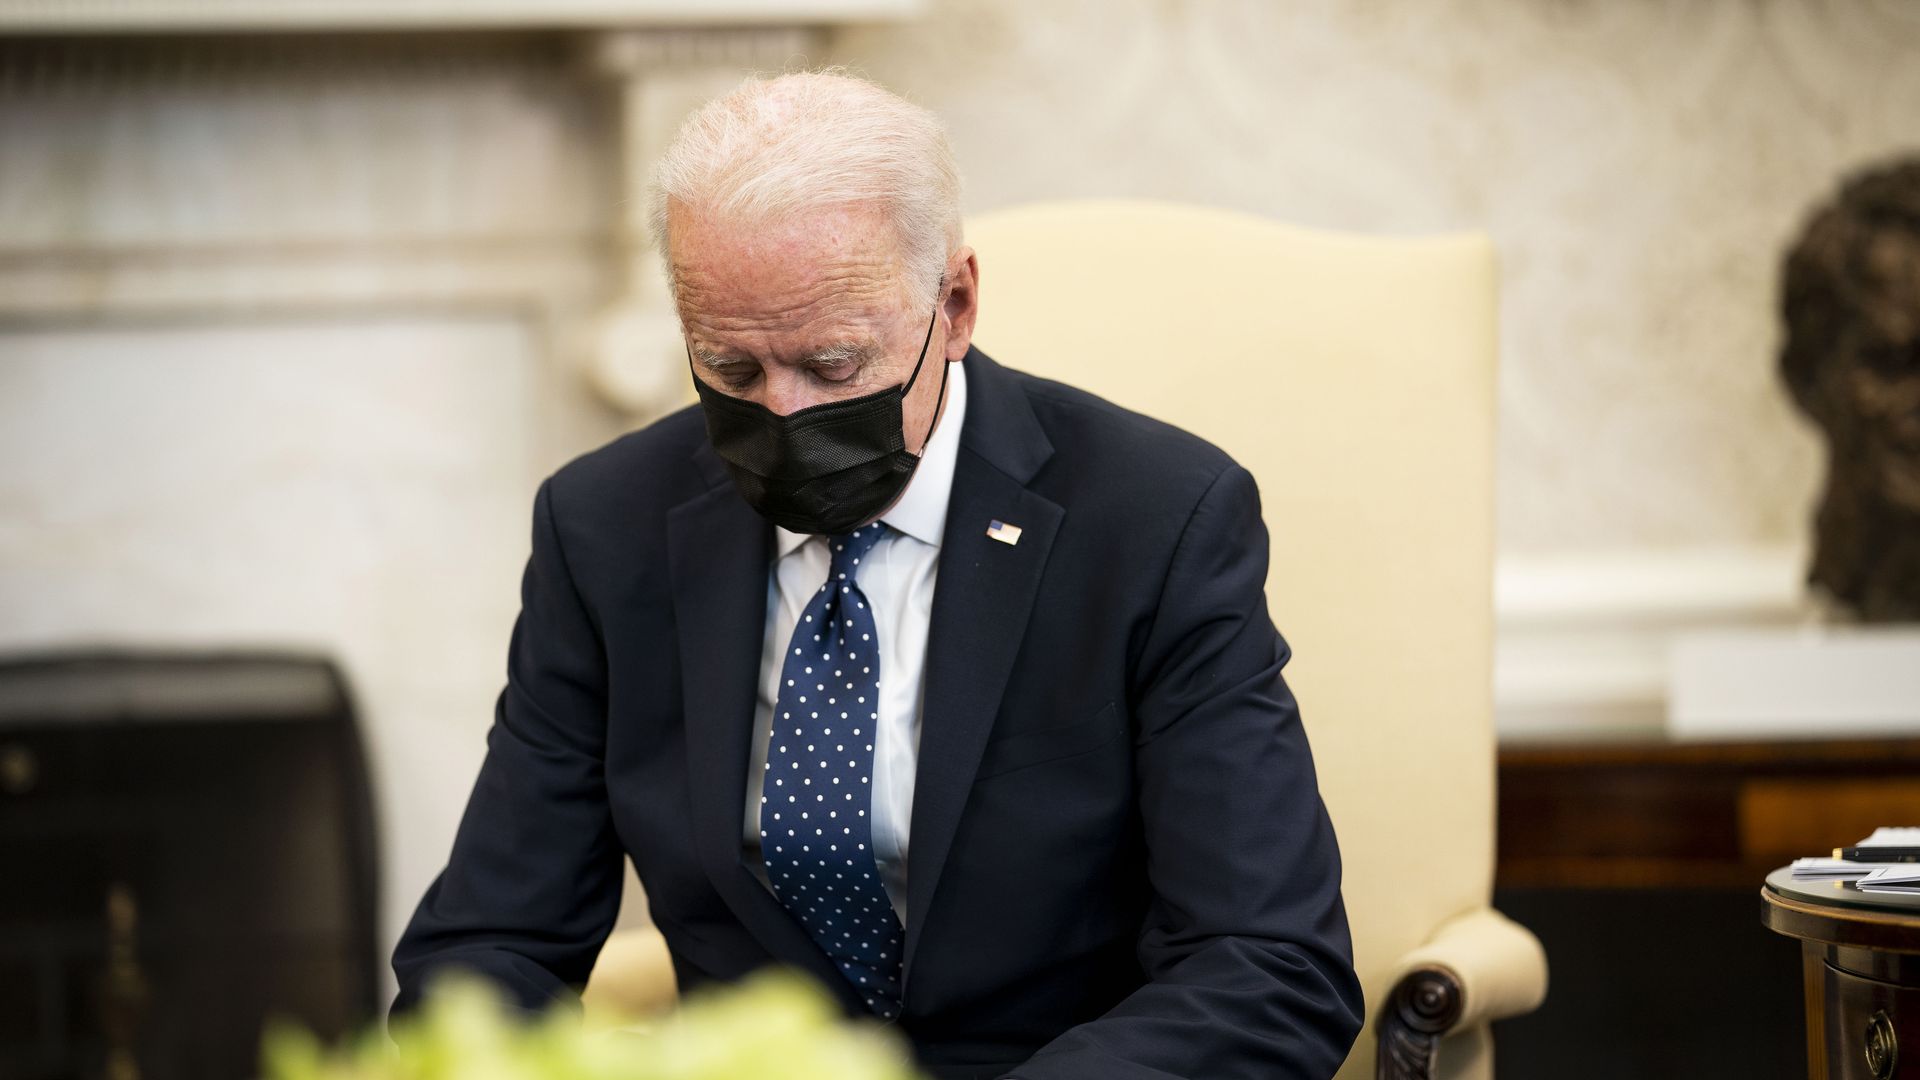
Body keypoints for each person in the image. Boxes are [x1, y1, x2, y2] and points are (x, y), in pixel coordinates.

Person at [390, 69, 1363, 1080]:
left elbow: (1268, 964)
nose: (784, 417)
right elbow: (486, 947)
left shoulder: (1156, 519)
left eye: (835, 365)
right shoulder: (607, 527)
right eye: (731, 370)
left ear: (955, 303)